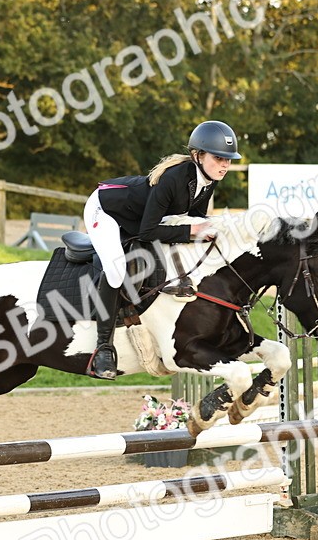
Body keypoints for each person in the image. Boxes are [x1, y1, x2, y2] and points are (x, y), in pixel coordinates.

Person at [82, 120, 242, 380]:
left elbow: (191, 223)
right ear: (197, 155)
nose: (225, 165)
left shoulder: (209, 179)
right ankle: (102, 348)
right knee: (115, 268)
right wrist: (192, 232)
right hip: (106, 209)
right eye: (219, 158)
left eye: (228, 160)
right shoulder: (173, 179)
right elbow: (149, 233)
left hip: (136, 218)